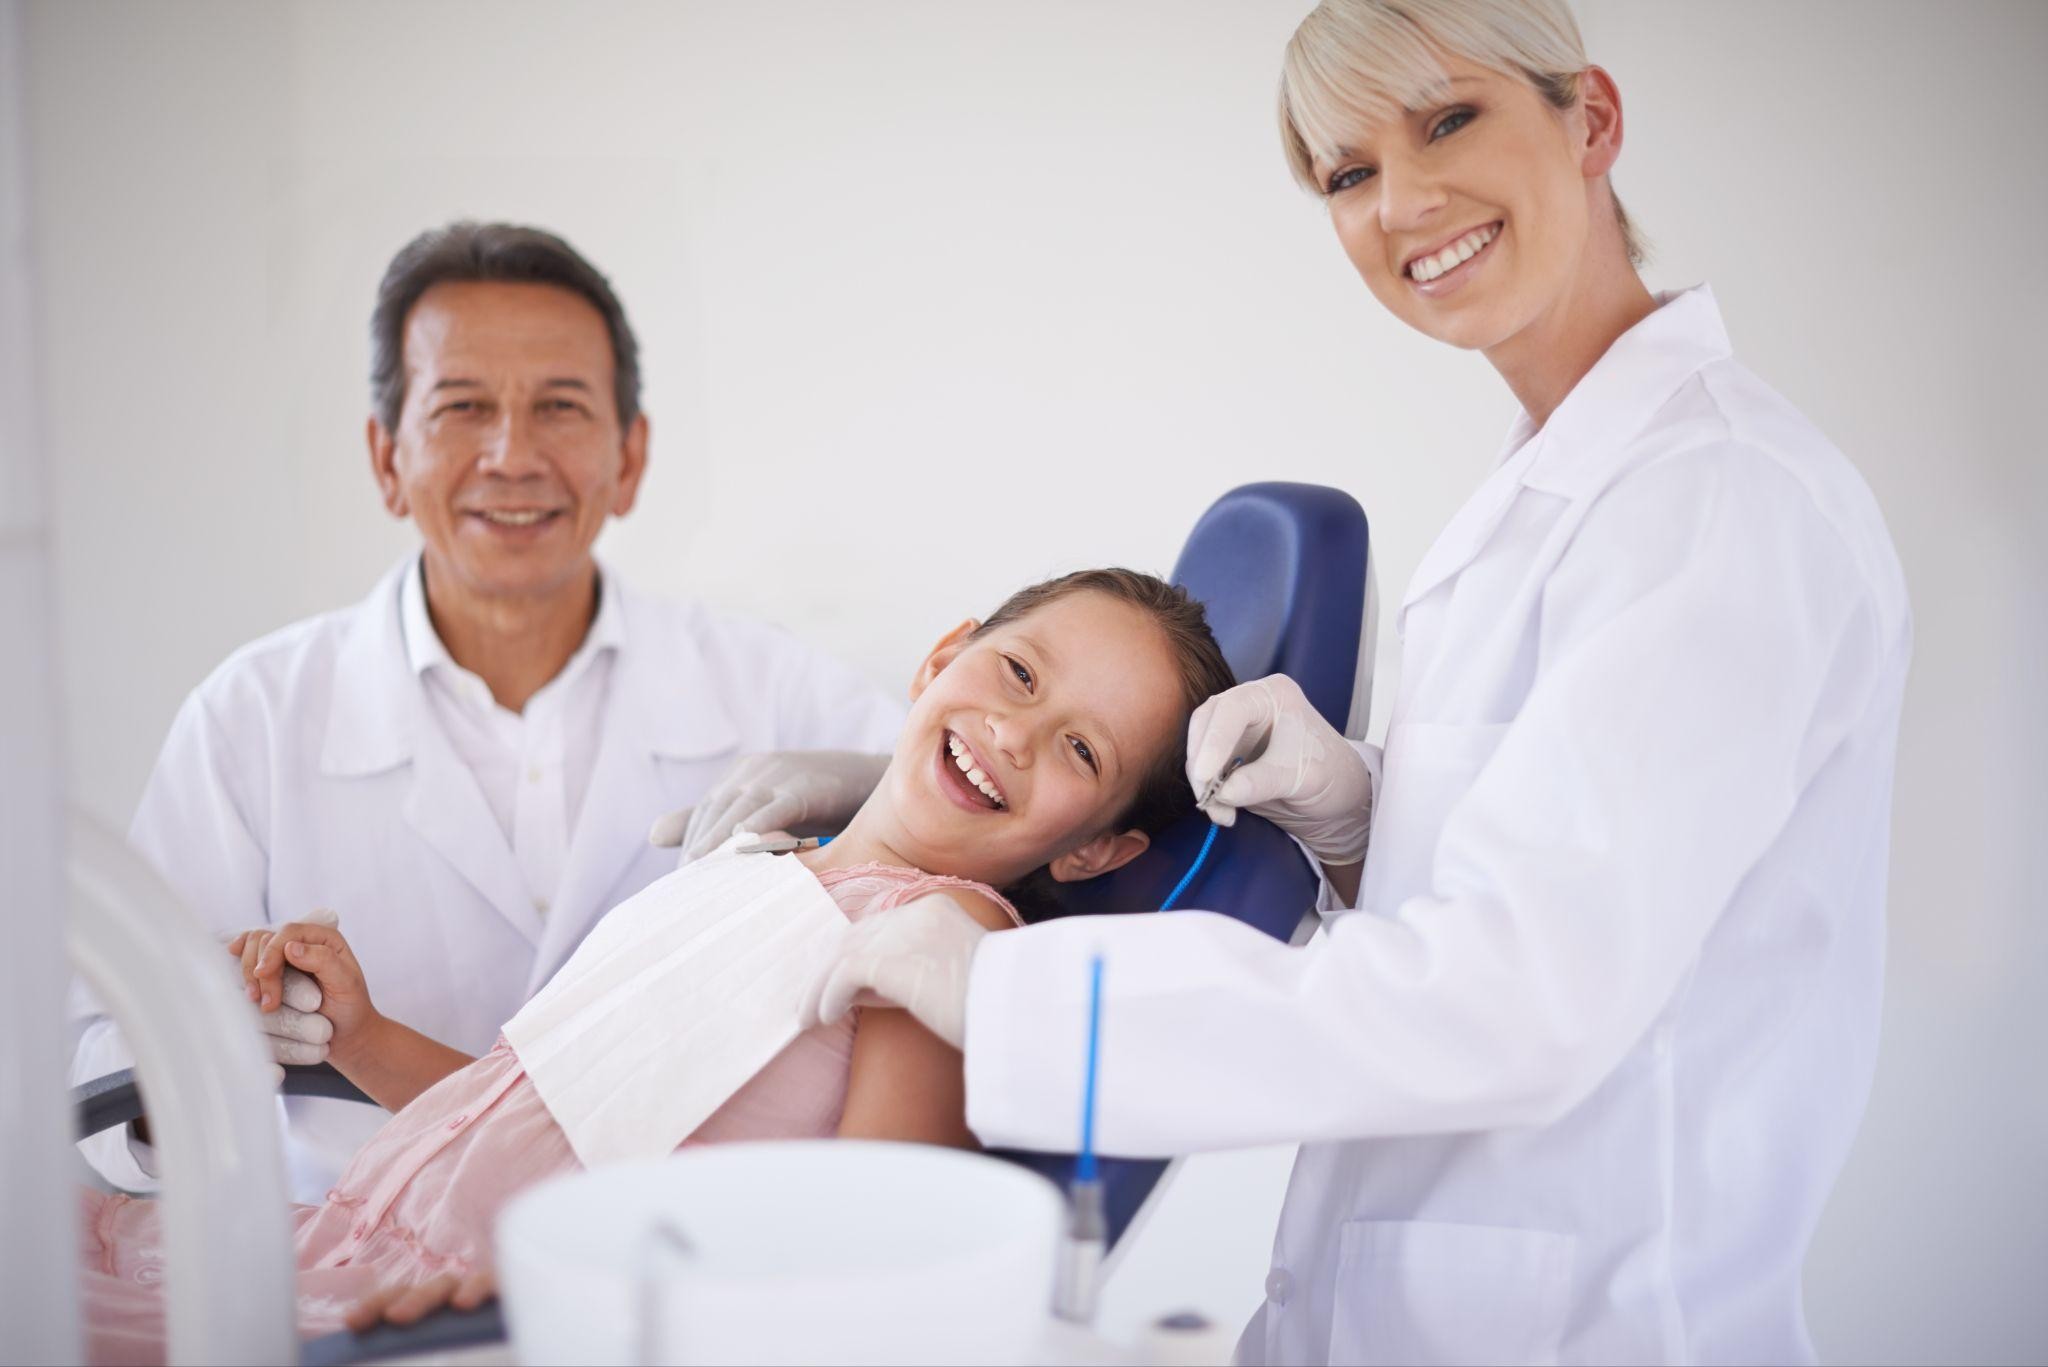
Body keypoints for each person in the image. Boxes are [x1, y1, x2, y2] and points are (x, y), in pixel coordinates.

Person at [797, 3, 1912, 1363]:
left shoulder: (1723, 504)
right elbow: (1560, 875)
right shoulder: (1548, 496)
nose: (1406, 199)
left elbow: (1521, 997)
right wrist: (1361, 812)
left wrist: (1020, 995)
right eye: (1347, 171)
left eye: (1449, 120)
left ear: (1592, 121)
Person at [73, 568, 1237, 1364]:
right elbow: (535, 1112)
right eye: (1017, 672)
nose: (1014, 732)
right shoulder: (762, 859)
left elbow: (875, 1250)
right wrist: (366, 1033)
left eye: (1079, 748)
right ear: (945, 653)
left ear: (1095, 847)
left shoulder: (935, 948)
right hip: (339, 1245)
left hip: (466, 1319)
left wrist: (550, 1298)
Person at [70, 221, 904, 1204]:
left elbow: (964, 815)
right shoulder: (253, 717)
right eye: (462, 407)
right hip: (346, 1270)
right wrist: (199, 1046)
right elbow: (90, 1070)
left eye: (560, 406)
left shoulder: (767, 686)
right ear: (386, 458)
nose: (512, 455)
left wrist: (868, 784)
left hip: (670, 1251)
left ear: (629, 457)